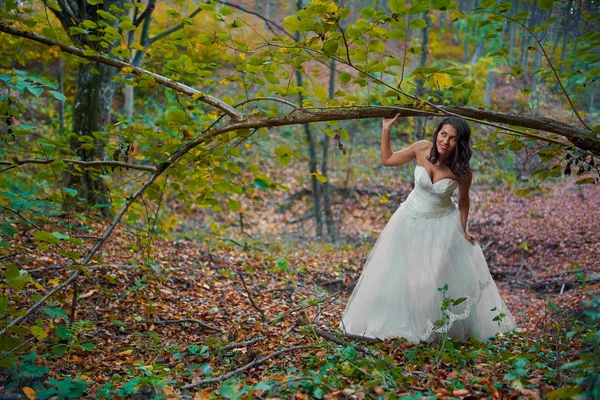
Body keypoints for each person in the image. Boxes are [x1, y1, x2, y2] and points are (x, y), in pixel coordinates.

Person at [341, 115, 517, 343]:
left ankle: (430, 332)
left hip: (442, 225)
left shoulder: (462, 171)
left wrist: (463, 228)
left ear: (459, 143)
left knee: (430, 280)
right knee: (399, 273)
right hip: (409, 219)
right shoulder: (421, 148)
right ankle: (400, 327)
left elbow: (464, 200)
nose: (446, 141)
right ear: (437, 134)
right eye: (443, 134)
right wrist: (386, 129)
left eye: (453, 138)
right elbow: (387, 159)